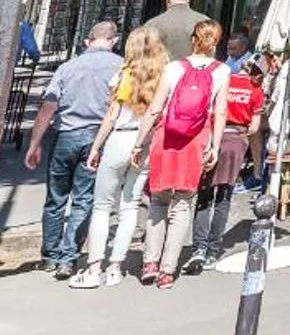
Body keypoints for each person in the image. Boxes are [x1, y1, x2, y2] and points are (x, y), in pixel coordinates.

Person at [22, 20, 123, 278]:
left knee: (55, 198)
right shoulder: (121, 67)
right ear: (114, 41)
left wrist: (35, 143)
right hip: (96, 137)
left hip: (65, 134)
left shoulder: (68, 67)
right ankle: (68, 257)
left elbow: (49, 106)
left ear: (87, 42)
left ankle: (50, 255)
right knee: (83, 199)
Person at [72, 26, 168, 288]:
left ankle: (94, 267)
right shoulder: (163, 78)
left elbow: (111, 116)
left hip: (120, 138)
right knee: (130, 205)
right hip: (144, 142)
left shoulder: (123, 75)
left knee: (103, 206)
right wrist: (141, 143)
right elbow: (157, 113)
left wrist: (96, 147)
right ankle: (116, 267)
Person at [137, 20, 230, 287]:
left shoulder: (174, 67)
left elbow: (156, 107)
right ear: (216, 42)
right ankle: (168, 270)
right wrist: (215, 145)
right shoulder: (221, 71)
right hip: (196, 139)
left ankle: (150, 262)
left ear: (193, 40)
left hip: (166, 136)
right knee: (182, 205)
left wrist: (139, 142)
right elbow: (220, 112)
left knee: (158, 201)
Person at [192, 51, 265, 269]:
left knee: (204, 194)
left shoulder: (224, 80)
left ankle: (198, 248)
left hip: (213, 137)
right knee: (223, 196)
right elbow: (254, 127)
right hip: (236, 141)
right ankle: (214, 249)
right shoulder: (255, 89)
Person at [141, 0, 208, 63]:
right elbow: (210, 56)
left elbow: (144, 57)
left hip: (162, 74)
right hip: (197, 75)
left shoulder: (153, 24)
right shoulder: (206, 22)